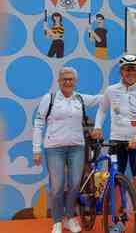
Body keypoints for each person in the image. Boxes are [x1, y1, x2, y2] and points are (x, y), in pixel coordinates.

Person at [32, 67, 103, 233]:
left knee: (74, 185)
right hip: (54, 148)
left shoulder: (80, 98)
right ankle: (57, 221)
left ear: (75, 82)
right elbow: (39, 123)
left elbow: (103, 99)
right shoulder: (48, 99)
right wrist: (36, 149)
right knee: (57, 186)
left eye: (71, 79)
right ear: (58, 81)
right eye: (64, 79)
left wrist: (118, 90)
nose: (67, 82)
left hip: (77, 148)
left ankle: (69, 218)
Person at [91, 54, 136, 232]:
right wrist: (97, 127)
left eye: (133, 69)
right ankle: (120, 221)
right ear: (121, 71)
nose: (130, 72)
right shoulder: (111, 90)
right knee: (116, 181)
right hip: (116, 141)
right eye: (127, 69)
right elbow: (102, 111)